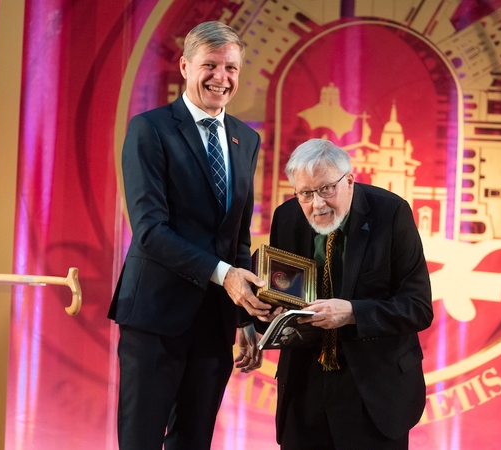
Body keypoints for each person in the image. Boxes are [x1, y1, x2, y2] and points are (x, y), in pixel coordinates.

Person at [107, 21, 271, 450]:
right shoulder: (150, 129)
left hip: (214, 323)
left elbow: (237, 236)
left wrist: (244, 318)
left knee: (194, 441)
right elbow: (150, 231)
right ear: (184, 66)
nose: (222, 77)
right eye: (210, 65)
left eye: (231, 68)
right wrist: (225, 275)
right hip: (155, 318)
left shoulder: (246, 138)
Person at [265, 138, 433, 449]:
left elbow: (417, 307)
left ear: (350, 181)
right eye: (306, 193)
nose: (317, 204)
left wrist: (353, 313)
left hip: (374, 389)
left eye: (326, 189)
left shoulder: (391, 213)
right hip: (304, 386)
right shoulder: (286, 217)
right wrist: (265, 314)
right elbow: (280, 293)